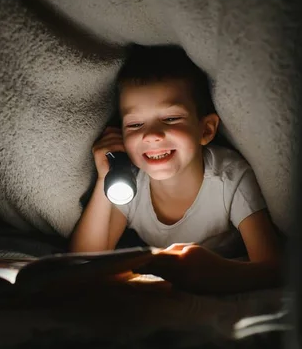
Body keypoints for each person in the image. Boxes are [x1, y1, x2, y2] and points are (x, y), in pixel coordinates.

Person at [69, 44, 283, 294]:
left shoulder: (230, 178)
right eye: (135, 124)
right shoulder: (129, 183)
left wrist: (215, 273)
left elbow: (273, 267)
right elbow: (82, 258)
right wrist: (106, 175)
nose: (151, 135)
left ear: (206, 130)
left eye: (171, 119)